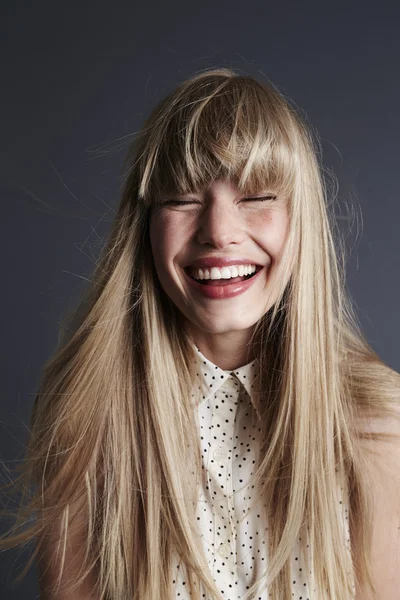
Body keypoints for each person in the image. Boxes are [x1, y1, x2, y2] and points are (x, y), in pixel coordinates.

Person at [1, 67, 400, 600]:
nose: (219, 231)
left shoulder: (378, 426)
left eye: (257, 196)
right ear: (144, 225)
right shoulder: (88, 413)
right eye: (183, 199)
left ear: (300, 219)